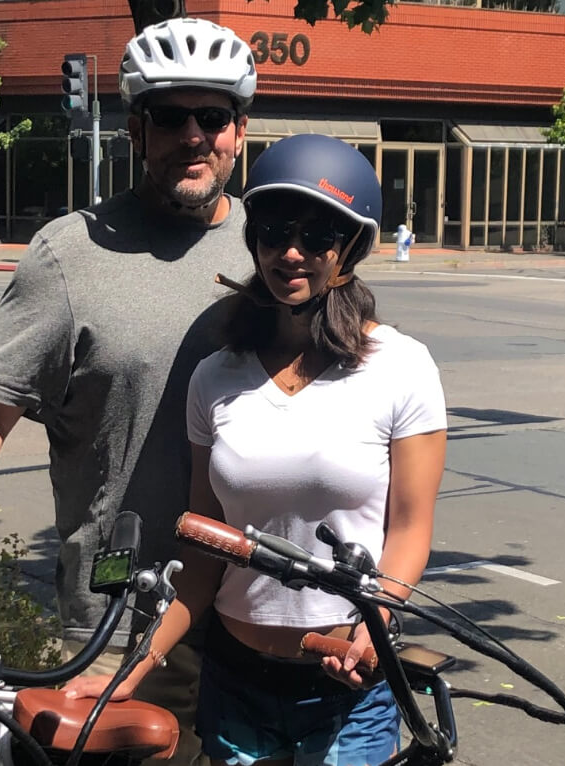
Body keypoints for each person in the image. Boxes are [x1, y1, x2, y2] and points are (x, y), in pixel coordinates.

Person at [0, 17, 257, 766]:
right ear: (137, 128)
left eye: (213, 117)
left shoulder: (277, 245)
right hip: (126, 608)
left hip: (261, 612)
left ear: (240, 128)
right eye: (172, 117)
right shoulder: (73, 253)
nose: (194, 136)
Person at [64, 134, 448, 766]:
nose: (291, 252)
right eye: (273, 231)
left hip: (346, 692)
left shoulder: (402, 367)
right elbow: (202, 549)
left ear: (350, 246)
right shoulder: (216, 375)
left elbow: (409, 532)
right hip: (235, 680)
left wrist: (371, 620)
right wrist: (133, 667)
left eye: (316, 234)